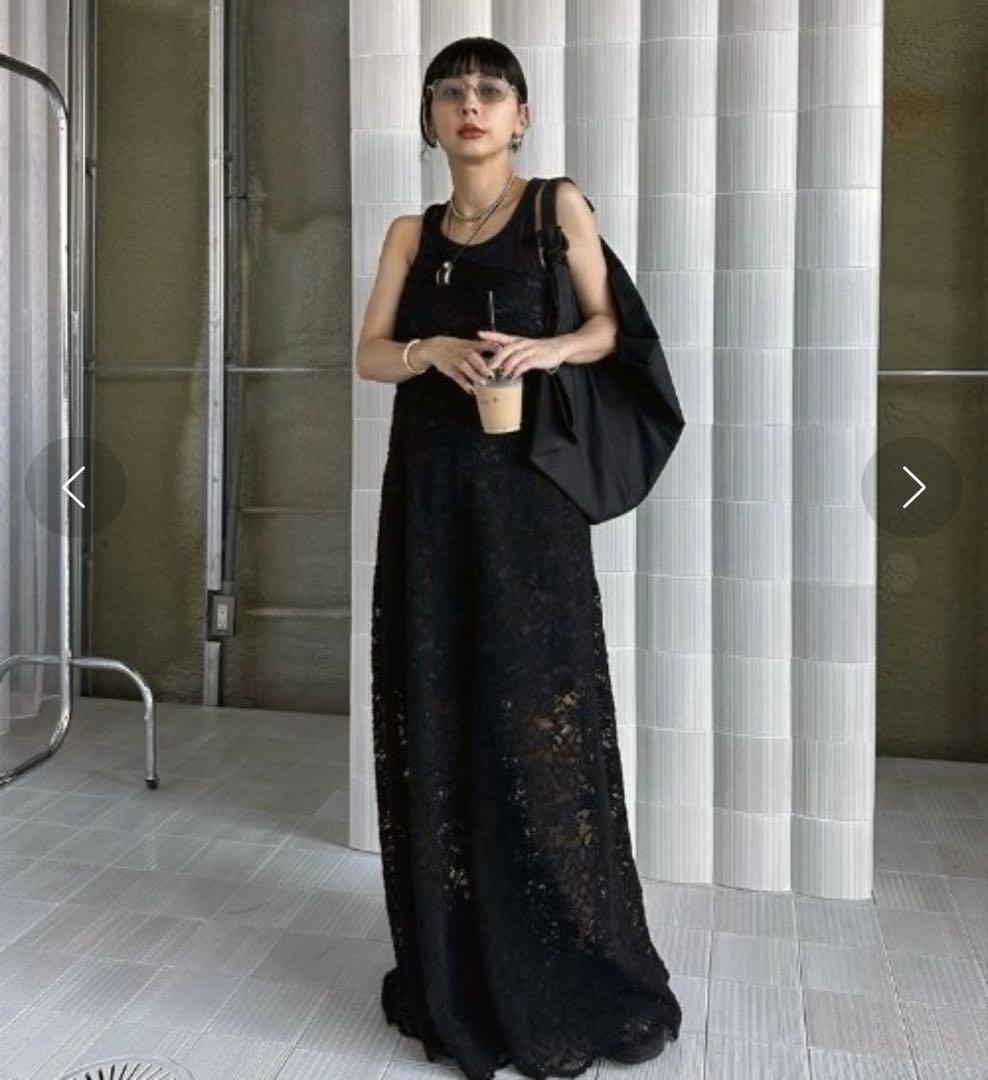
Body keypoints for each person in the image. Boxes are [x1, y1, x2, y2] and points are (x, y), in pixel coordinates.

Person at [356, 36, 682, 1080]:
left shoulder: (554, 207)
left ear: (521, 115)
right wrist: (429, 351)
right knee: (441, 705)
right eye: (451, 91)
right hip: (430, 498)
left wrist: (547, 349)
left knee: (541, 713)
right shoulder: (411, 233)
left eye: (491, 90)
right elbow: (368, 354)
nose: (471, 104)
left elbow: (611, 328)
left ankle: (567, 963)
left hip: (529, 503)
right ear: (430, 117)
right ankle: (458, 961)